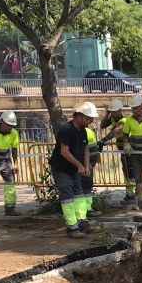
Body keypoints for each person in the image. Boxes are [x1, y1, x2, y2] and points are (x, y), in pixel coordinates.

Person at [50, 102, 101, 238]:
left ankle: (82, 223)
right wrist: (79, 165)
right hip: (62, 170)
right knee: (68, 198)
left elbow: (85, 148)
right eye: (89, 118)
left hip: (74, 169)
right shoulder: (67, 130)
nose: (91, 121)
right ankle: (72, 227)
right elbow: (64, 152)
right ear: (79, 116)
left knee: (79, 197)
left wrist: (86, 164)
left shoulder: (83, 130)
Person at [100, 99, 134, 204]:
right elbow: (102, 125)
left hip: (128, 145)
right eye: (112, 111)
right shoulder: (113, 118)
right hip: (122, 146)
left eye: (115, 111)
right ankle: (130, 194)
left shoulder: (123, 120)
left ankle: (132, 195)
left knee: (130, 170)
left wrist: (103, 140)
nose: (113, 113)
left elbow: (116, 131)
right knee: (126, 170)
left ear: (120, 110)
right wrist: (107, 114)